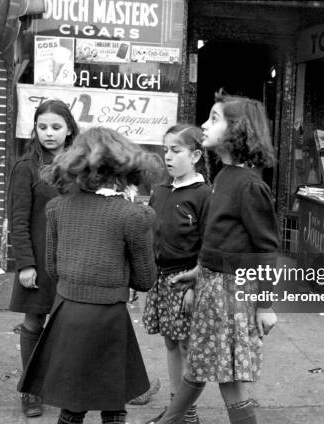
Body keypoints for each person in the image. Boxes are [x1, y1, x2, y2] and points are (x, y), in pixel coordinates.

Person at [146, 90, 279, 424]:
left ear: (237, 130)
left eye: (214, 118)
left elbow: (264, 249)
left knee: (226, 378)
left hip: (232, 293)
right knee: (200, 366)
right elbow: (222, 239)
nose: (204, 125)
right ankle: (172, 420)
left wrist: (265, 305)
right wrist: (200, 271)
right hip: (212, 285)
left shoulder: (249, 185)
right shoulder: (224, 176)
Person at [18, 127, 163, 424]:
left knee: (73, 403)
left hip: (67, 313)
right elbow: (145, 280)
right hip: (109, 317)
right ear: (123, 166)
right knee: (113, 404)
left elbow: (53, 270)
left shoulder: (57, 207)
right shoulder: (132, 215)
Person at [8, 99, 79, 418]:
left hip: (75, 259)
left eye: (56, 127)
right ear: (34, 130)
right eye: (42, 127)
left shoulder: (82, 165)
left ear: (69, 130)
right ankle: (31, 391)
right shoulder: (25, 167)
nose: (49, 133)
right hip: (38, 260)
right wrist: (25, 264)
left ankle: (65, 387)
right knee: (34, 321)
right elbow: (18, 219)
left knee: (71, 326)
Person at [142, 125, 211, 424]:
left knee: (187, 345)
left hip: (188, 280)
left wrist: (196, 284)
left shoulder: (205, 195)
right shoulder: (159, 192)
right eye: (165, 149)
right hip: (162, 279)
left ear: (195, 155)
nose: (168, 156)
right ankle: (176, 408)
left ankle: (187, 412)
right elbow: (150, 235)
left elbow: (210, 244)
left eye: (176, 150)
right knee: (171, 342)